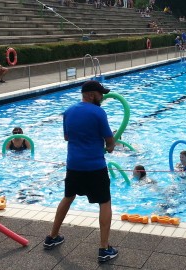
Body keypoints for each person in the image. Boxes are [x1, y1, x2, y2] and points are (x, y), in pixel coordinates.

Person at [44, 80, 118, 263]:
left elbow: (67, 137)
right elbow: (109, 140)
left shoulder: (68, 112)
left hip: (74, 165)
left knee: (68, 197)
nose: (102, 97)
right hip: (94, 167)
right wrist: (110, 147)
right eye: (101, 94)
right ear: (92, 95)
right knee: (105, 202)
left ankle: (52, 237)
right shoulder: (99, 112)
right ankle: (104, 248)